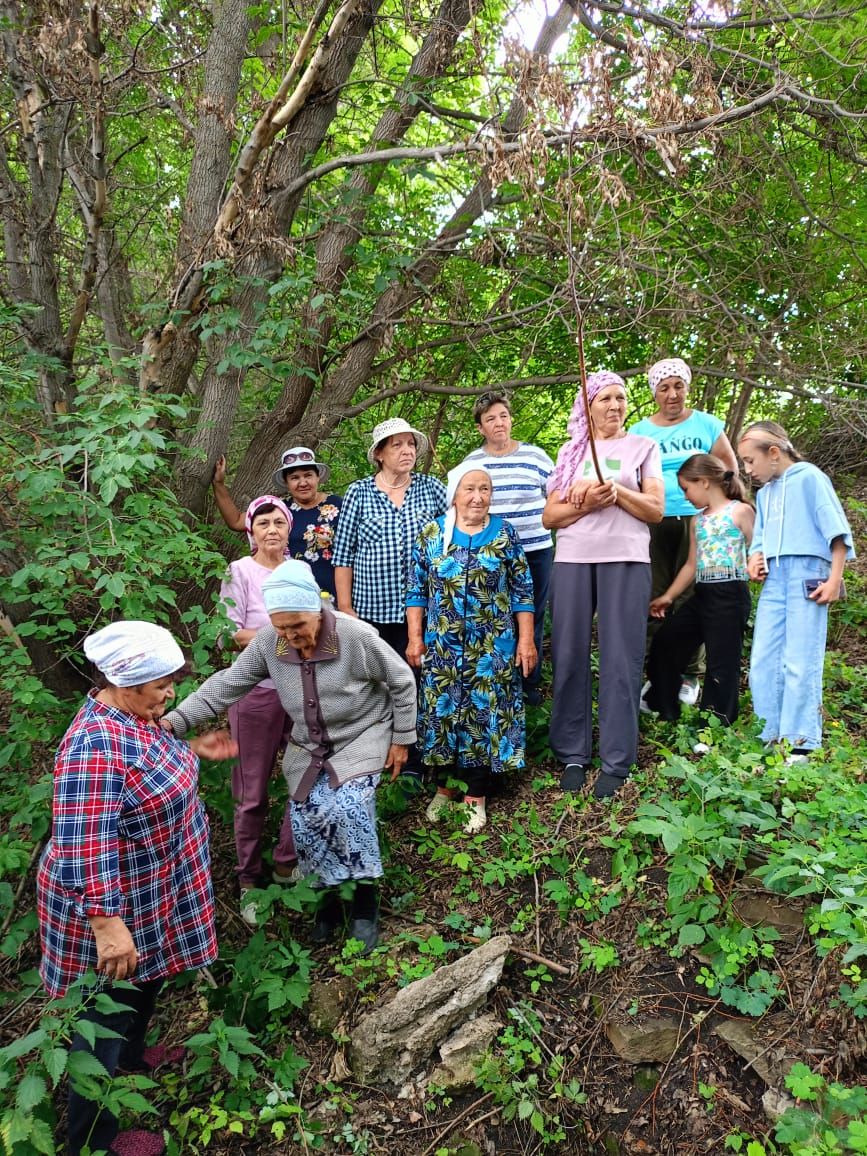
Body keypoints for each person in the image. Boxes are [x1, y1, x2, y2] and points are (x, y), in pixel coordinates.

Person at [36, 621, 236, 1156]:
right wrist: (107, 926)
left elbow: (146, 763)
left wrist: (191, 750)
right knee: (100, 1015)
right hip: (109, 907)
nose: (171, 693)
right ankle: (91, 1140)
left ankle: (132, 1056)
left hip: (151, 890)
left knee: (145, 978)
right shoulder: (93, 745)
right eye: (161, 684)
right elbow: (82, 841)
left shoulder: (133, 716)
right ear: (124, 683)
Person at [163, 560, 417, 953]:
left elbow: (400, 680)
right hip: (311, 746)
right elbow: (227, 685)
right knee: (307, 817)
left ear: (317, 609)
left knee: (349, 807)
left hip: (362, 733)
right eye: (281, 627)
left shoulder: (353, 636)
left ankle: (365, 907)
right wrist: (174, 722)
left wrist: (402, 737)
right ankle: (329, 901)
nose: (290, 635)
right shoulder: (270, 642)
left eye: (297, 625)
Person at [542, 371, 664, 798]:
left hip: (626, 559)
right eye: (605, 399)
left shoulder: (643, 447)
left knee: (620, 659)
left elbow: (655, 508)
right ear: (588, 406)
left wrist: (616, 493)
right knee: (571, 653)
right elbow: (550, 518)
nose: (615, 405)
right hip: (574, 559)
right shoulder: (571, 451)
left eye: (621, 398)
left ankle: (617, 760)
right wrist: (587, 503)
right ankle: (573, 753)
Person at [406, 462, 536, 833]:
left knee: (483, 716)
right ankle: (445, 787)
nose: (478, 497)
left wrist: (525, 640)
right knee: (444, 715)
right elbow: (416, 589)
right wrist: (415, 638)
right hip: (442, 647)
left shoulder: (504, 534)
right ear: (455, 494)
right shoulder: (433, 533)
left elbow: (523, 591)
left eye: (485, 489)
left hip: (491, 647)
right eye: (470, 489)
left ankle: (475, 796)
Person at [738, 420, 854, 762]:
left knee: (800, 659)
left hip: (809, 574)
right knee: (763, 659)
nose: (747, 470)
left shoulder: (810, 478)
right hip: (775, 579)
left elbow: (837, 533)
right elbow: (758, 541)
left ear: (773, 453)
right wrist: (754, 560)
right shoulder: (766, 492)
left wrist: (834, 580)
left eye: (750, 461)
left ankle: (800, 741)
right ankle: (770, 733)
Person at [630, 358, 739, 705]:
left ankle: (691, 674)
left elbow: (730, 468)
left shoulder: (706, 424)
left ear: (687, 388)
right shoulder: (640, 432)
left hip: (699, 521)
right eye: (664, 388)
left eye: (678, 386)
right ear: (654, 394)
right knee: (656, 596)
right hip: (654, 521)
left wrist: (723, 511)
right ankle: (657, 675)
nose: (673, 394)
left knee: (694, 595)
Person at [221, 494, 298, 926]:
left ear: (289, 529)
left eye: (279, 522)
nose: (272, 529)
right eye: (263, 522)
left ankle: (287, 862)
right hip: (256, 693)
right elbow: (229, 635)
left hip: (300, 690)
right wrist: (281, 632)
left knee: (307, 775)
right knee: (251, 794)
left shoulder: (298, 571)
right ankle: (249, 878)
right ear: (251, 530)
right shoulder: (239, 572)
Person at [643, 454, 754, 729]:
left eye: (685, 488)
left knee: (721, 661)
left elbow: (758, 548)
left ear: (703, 482)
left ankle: (716, 723)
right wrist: (668, 596)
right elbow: (691, 564)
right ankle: (663, 704)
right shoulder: (697, 520)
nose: (685, 495)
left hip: (731, 595)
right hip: (703, 594)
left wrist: (758, 565)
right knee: (666, 642)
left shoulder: (740, 511)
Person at [460, 391, 554, 705]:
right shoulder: (472, 463)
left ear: (510, 419)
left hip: (536, 551)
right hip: (493, 555)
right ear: (480, 428)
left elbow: (556, 499)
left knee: (533, 617)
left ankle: (528, 685)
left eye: (503, 416)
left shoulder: (536, 457)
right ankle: (497, 683)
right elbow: (465, 508)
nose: (499, 423)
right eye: (490, 419)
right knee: (496, 617)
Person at [212, 447, 342, 596]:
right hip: (289, 595)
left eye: (308, 475)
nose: (303, 482)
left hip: (333, 593)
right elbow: (235, 521)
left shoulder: (338, 505)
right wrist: (219, 484)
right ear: (286, 482)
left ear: (318, 477)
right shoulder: (279, 509)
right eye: (295, 478)